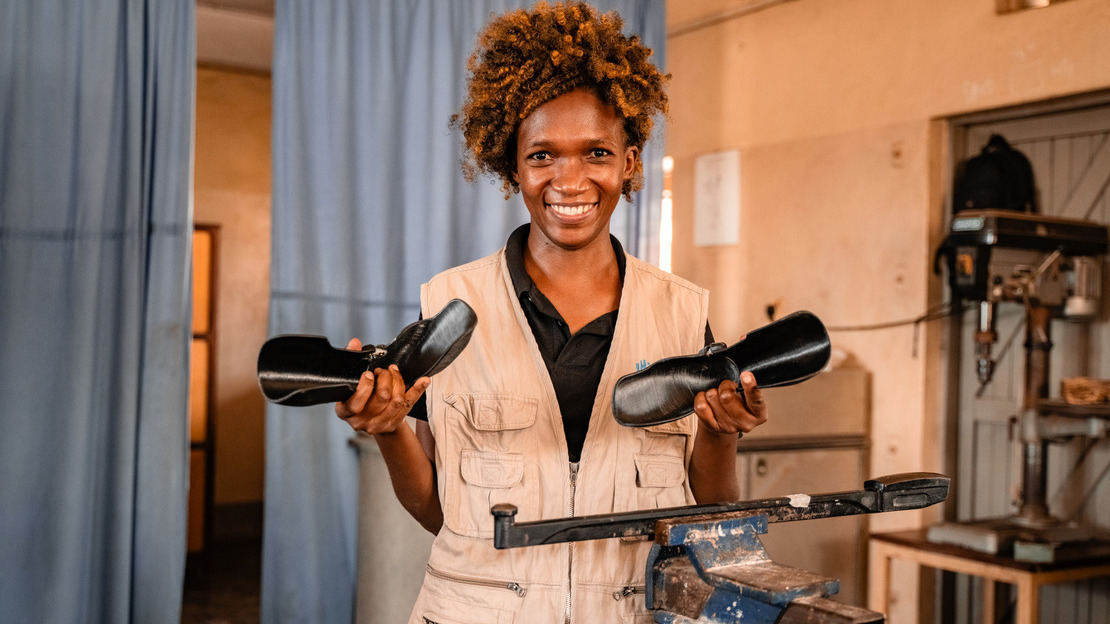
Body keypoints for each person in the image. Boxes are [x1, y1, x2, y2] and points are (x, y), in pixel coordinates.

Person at [334, 3, 768, 622]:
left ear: (630, 163)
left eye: (595, 152)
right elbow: (438, 511)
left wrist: (723, 432)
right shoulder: (452, 305)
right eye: (543, 156)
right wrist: (386, 428)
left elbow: (709, 508)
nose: (569, 180)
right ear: (514, 165)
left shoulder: (679, 313)